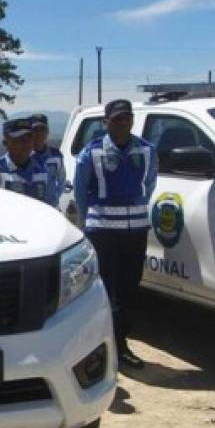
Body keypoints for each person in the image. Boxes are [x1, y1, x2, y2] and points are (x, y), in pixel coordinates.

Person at [74, 99, 157, 369]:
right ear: (105, 122)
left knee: (129, 290)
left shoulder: (146, 150)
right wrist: (90, 223)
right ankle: (108, 347)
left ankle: (121, 345)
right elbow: (80, 191)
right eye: (117, 119)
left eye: (127, 118)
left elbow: (149, 185)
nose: (123, 123)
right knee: (106, 291)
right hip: (103, 232)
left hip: (135, 232)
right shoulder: (92, 152)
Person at [0, 118, 49, 203]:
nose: (26, 143)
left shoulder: (42, 168)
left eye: (29, 137)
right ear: (6, 142)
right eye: (19, 139)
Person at [29, 113, 66, 208]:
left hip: (51, 208)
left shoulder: (56, 156)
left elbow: (61, 181)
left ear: (47, 132)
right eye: (35, 130)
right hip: (30, 208)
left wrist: (54, 198)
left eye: (43, 129)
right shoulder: (24, 157)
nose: (39, 133)